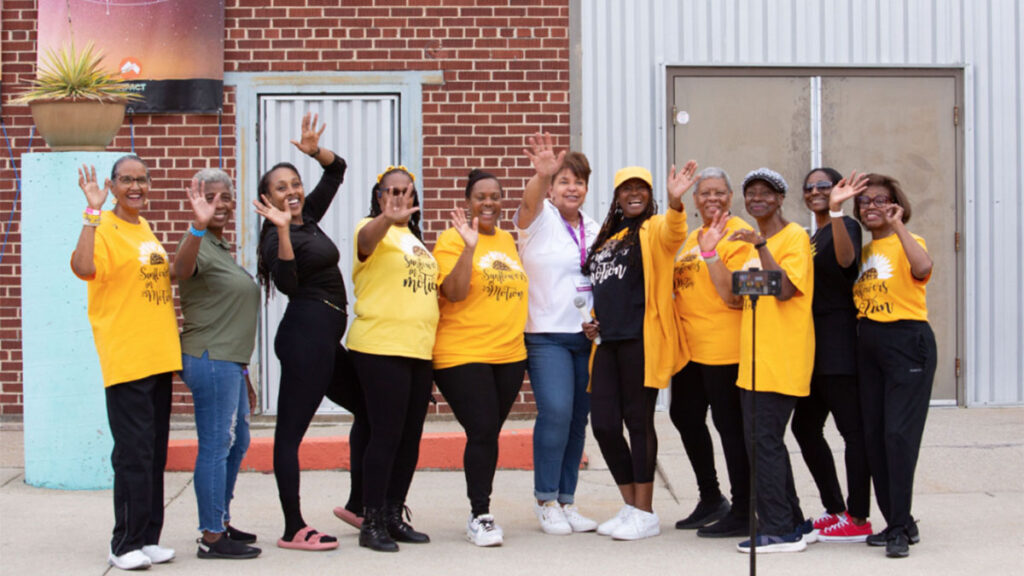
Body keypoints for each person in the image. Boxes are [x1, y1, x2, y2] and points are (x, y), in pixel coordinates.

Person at [71, 155, 181, 571]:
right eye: (126, 180)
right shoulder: (104, 226)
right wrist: (91, 212)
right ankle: (124, 543)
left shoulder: (143, 227)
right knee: (133, 454)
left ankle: (148, 537)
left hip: (158, 356)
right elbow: (83, 268)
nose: (136, 187)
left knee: (153, 453)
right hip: (127, 356)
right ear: (113, 185)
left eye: (142, 180)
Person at [700, 167, 814, 554]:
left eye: (766, 192)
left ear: (781, 199)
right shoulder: (750, 247)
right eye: (751, 194)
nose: (757, 199)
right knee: (765, 445)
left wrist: (763, 245)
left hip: (780, 361)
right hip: (753, 364)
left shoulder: (793, 237)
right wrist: (711, 253)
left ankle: (779, 529)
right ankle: (794, 521)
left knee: (764, 445)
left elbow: (783, 289)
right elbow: (733, 296)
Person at [583, 162, 695, 541]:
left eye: (641, 188)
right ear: (616, 197)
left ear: (650, 195)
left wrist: (677, 202)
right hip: (606, 343)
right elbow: (603, 287)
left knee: (638, 422)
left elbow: (674, 232)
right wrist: (592, 320)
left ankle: (644, 511)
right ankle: (632, 506)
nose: (634, 193)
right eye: (626, 188)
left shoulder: (653, 229)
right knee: (603, 426)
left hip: (639, 340)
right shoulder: (608, 236)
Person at [253, 112, 348, 552]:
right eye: (280, 188)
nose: (292, 192)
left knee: (368, 407)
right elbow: (289, 285)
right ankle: (293, 527)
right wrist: (281, 228)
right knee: (290, 434)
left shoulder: (307, 215)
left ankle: (361, 503)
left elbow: (337, 170)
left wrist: (316, 152)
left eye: (294, 183)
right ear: (266, 198)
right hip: (305, 338)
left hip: (326, 338)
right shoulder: (276, 238)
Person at [432, 169, 529, 547]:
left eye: (495, 196)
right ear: (467, 201)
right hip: (461, 354)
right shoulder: (451, 240)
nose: (488, 203)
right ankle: (480, 514)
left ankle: (480, 510)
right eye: (480, 197)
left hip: (508, 355)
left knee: (487, 433)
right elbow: (454, 294)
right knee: (484, 429)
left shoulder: (507, 239)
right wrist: (470, 247)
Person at [347, 165, 437, 552]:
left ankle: (394, 514)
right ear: (379, 195)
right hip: (381, 347)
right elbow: (366, 242)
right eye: (392, 191)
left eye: (406, 191)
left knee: (410, 438)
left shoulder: (416, 241)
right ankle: (372, 521)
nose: (400, 196)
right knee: (386, 435)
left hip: (418, 348)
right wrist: (386, 217)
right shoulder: (370, 228)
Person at [845, 174, 935, 558]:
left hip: (906, 343)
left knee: (898, 436)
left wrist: (898, 225)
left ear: (896, 204)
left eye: (880, 200)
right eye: (865, 202)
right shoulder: (864, 254)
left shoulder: (909, 241)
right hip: (869, 347)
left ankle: (898, 527)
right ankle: (901, 519)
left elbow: (922, 267)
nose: (872, 207)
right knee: (875, 439)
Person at [175, 169, 263, 560]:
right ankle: (211, 536)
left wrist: (245, 376)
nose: (221, 204)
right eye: (211, 197)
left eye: (226, 197)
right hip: (210, 359)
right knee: (215, 444)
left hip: (230, 363)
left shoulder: (219, 247)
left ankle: (220, 518)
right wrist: (196, 226)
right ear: (196, 200)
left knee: (238, 440)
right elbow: (179, 269)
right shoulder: (197, 243)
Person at [514, 134, 599, 535]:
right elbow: (528, 202)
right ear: (552, 188)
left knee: (578, 420)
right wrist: (540, 174)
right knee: (556, 412)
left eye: (578, 182)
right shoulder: (539, 219)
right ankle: (546, 499)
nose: (572, 188)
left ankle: (567, 500)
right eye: (563, 181)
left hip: (585, 338)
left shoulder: (596, 228)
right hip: (546, 335)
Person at [669, 167, 754, 538]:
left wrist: (712, 253)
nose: (712, 199)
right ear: (695, 200)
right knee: (684, 416)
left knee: (730, 428)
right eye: (705, 193)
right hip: (690, 351)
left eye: (719, 192)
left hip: (725, 349)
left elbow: (735, 297)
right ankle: (710, 497)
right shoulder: (691, 238)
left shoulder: (742, 236)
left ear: (730, 197)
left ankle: (744, 507)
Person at [790, 167, 874, 543]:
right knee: (805, 428)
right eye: (809, 188)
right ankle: (835, 509)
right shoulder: (810, 237)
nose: (815, 192)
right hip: (813, 347)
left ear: (838, 189)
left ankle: (859, 517)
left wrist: (839, 213)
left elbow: (846, 262)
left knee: (852, 433)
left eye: (824, 185)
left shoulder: (846, 226)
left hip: (839, 342)